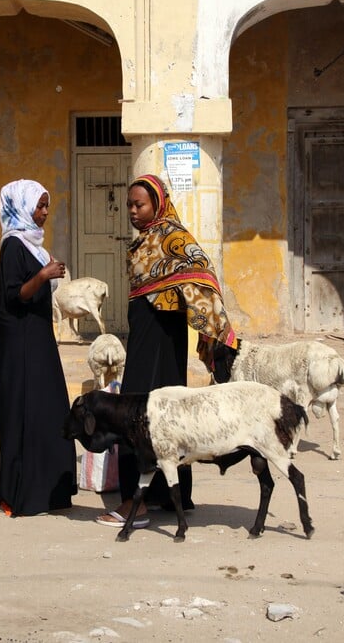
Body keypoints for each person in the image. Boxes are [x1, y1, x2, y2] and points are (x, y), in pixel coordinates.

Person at [96, 173, 237, 528]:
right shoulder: (147, 239)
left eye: (139, 204)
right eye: (129, 204)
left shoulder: (174, 237)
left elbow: (202, 275)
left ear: (156, 204)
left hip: (162, 340)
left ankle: (135, 503)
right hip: (147, 335)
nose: (132, 210)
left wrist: (214, 328)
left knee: (138, 412)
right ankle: (165, 494)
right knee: (161, 415)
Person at [0, 178, 77, 517]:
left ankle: (50, 491)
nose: (44, 213)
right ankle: (21, 495)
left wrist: (49, 272)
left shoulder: (32, 245)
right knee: (25, 414)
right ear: (22, 207)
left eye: (46, 207)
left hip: (38, 338)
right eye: (39, 206)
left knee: (48, 411)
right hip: (20, 344)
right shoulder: (14, 245)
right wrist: (43, 276)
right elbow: (14, 294)